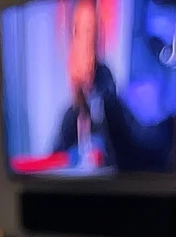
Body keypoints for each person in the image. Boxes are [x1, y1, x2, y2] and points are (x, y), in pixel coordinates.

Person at [52, 0, 131, 170]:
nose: (85, 43)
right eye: (78, 32)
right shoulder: (69, 117)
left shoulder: (110, 97)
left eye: (90, 32)